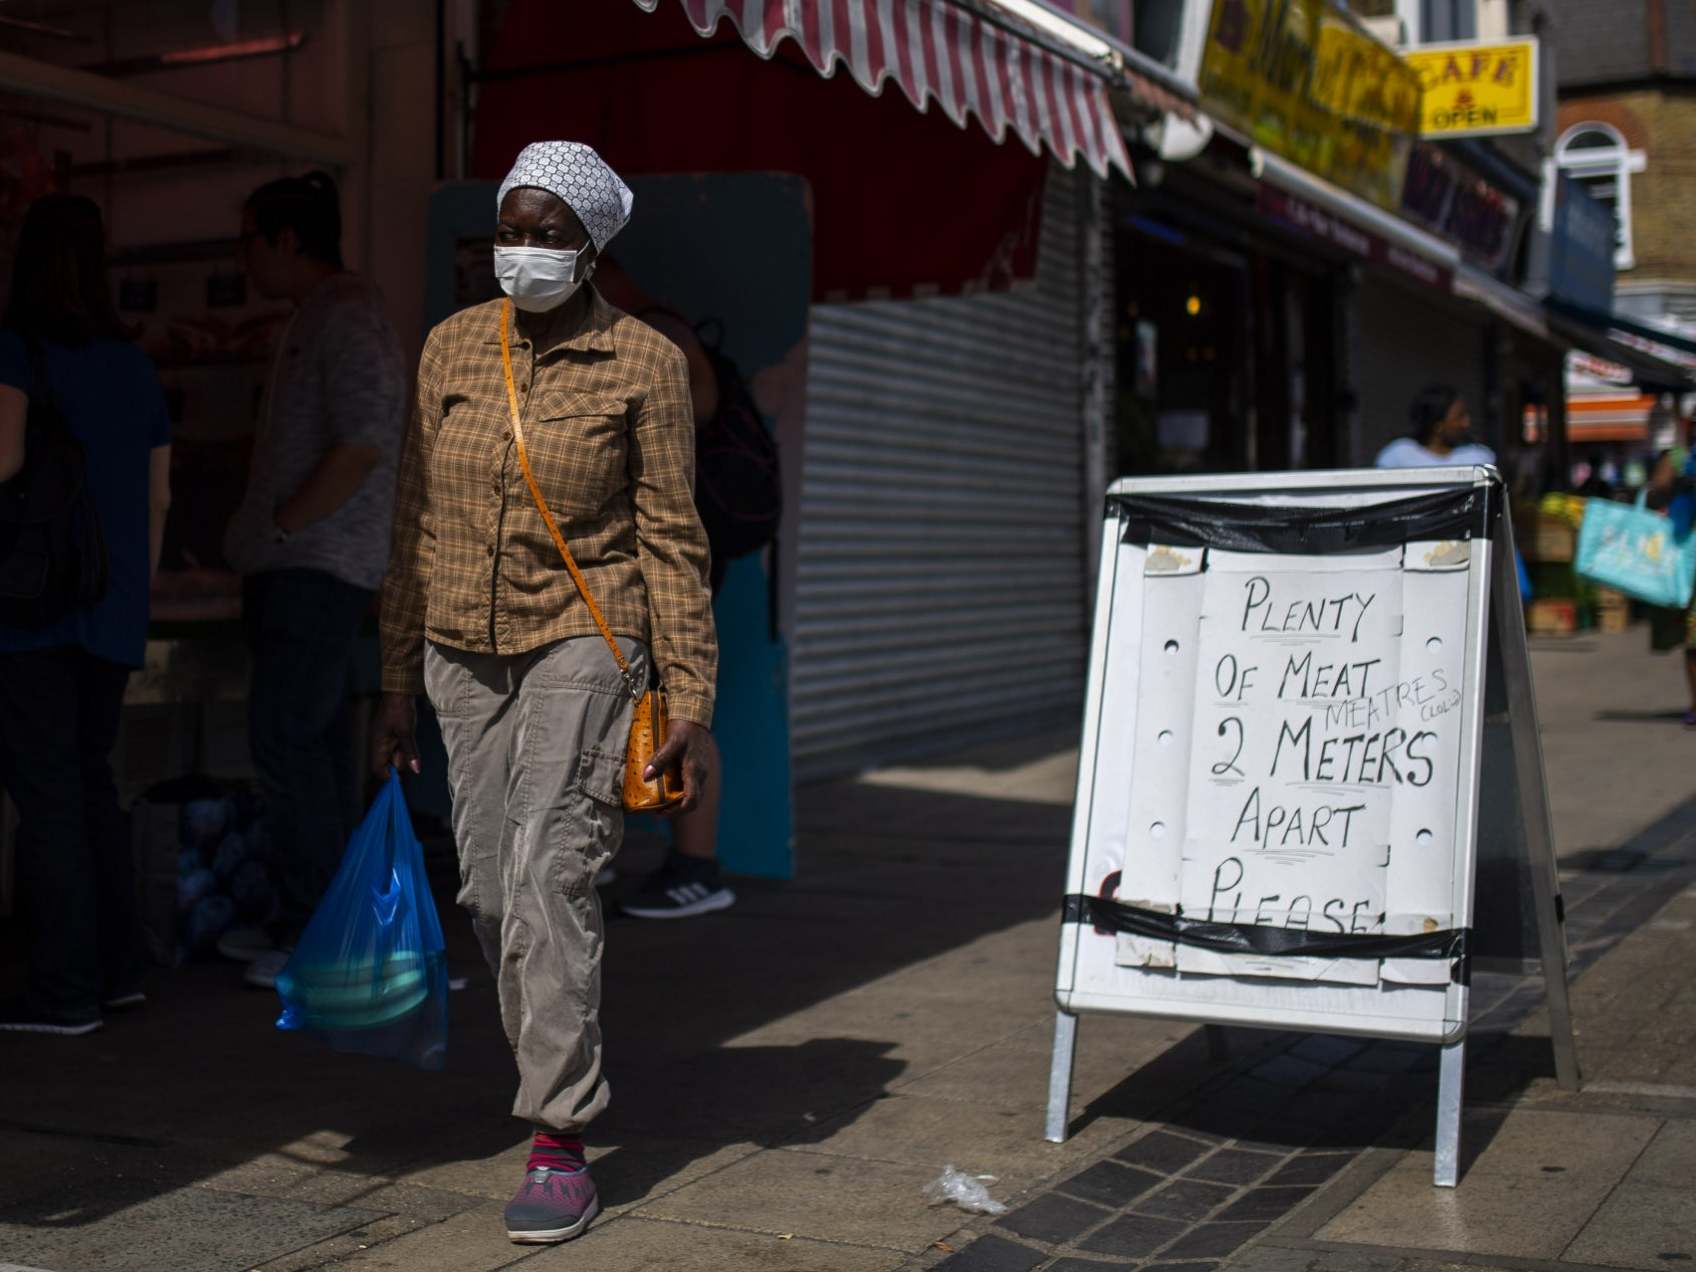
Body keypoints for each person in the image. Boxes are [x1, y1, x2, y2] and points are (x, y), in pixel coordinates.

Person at [372, 141, 717, 1246]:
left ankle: (560, 1135)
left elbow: (670, 536)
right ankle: (550, 1081)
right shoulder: (450, 349)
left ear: (593, 244)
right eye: (506, 233)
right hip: (459, 651)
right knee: (486, 889)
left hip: (584, 634)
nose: (519, 254)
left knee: (548, 871)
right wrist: (391, 675)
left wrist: (691, 698)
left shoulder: (642, 361)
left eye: (545, 233)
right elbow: (412, 518)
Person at [219, 172, 408, 989]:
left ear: (287, 241)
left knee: (291, 744)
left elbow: (363, 443)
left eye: (250, 240)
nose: (245, 258)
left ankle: (321, 934)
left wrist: (285, 524)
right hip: (305, 564)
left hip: (318, 566)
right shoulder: (321, 317)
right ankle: (330, 926)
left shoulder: (347, 315)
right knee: (316, 748)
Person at [0, 195, 173, 1034]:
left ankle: (62, 991)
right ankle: (116, 972)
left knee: (47, 793)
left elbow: (2, 458)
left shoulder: (17, 349)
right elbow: (160, 498)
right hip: (113, 611)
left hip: (33, 610)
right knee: (92, 782)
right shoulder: (133, 366)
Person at [1375, 385, 1496, 469]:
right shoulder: (1398, 456)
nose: (1466, 423)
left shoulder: (1478, 457)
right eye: (1459, 417)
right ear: (1437, 425)